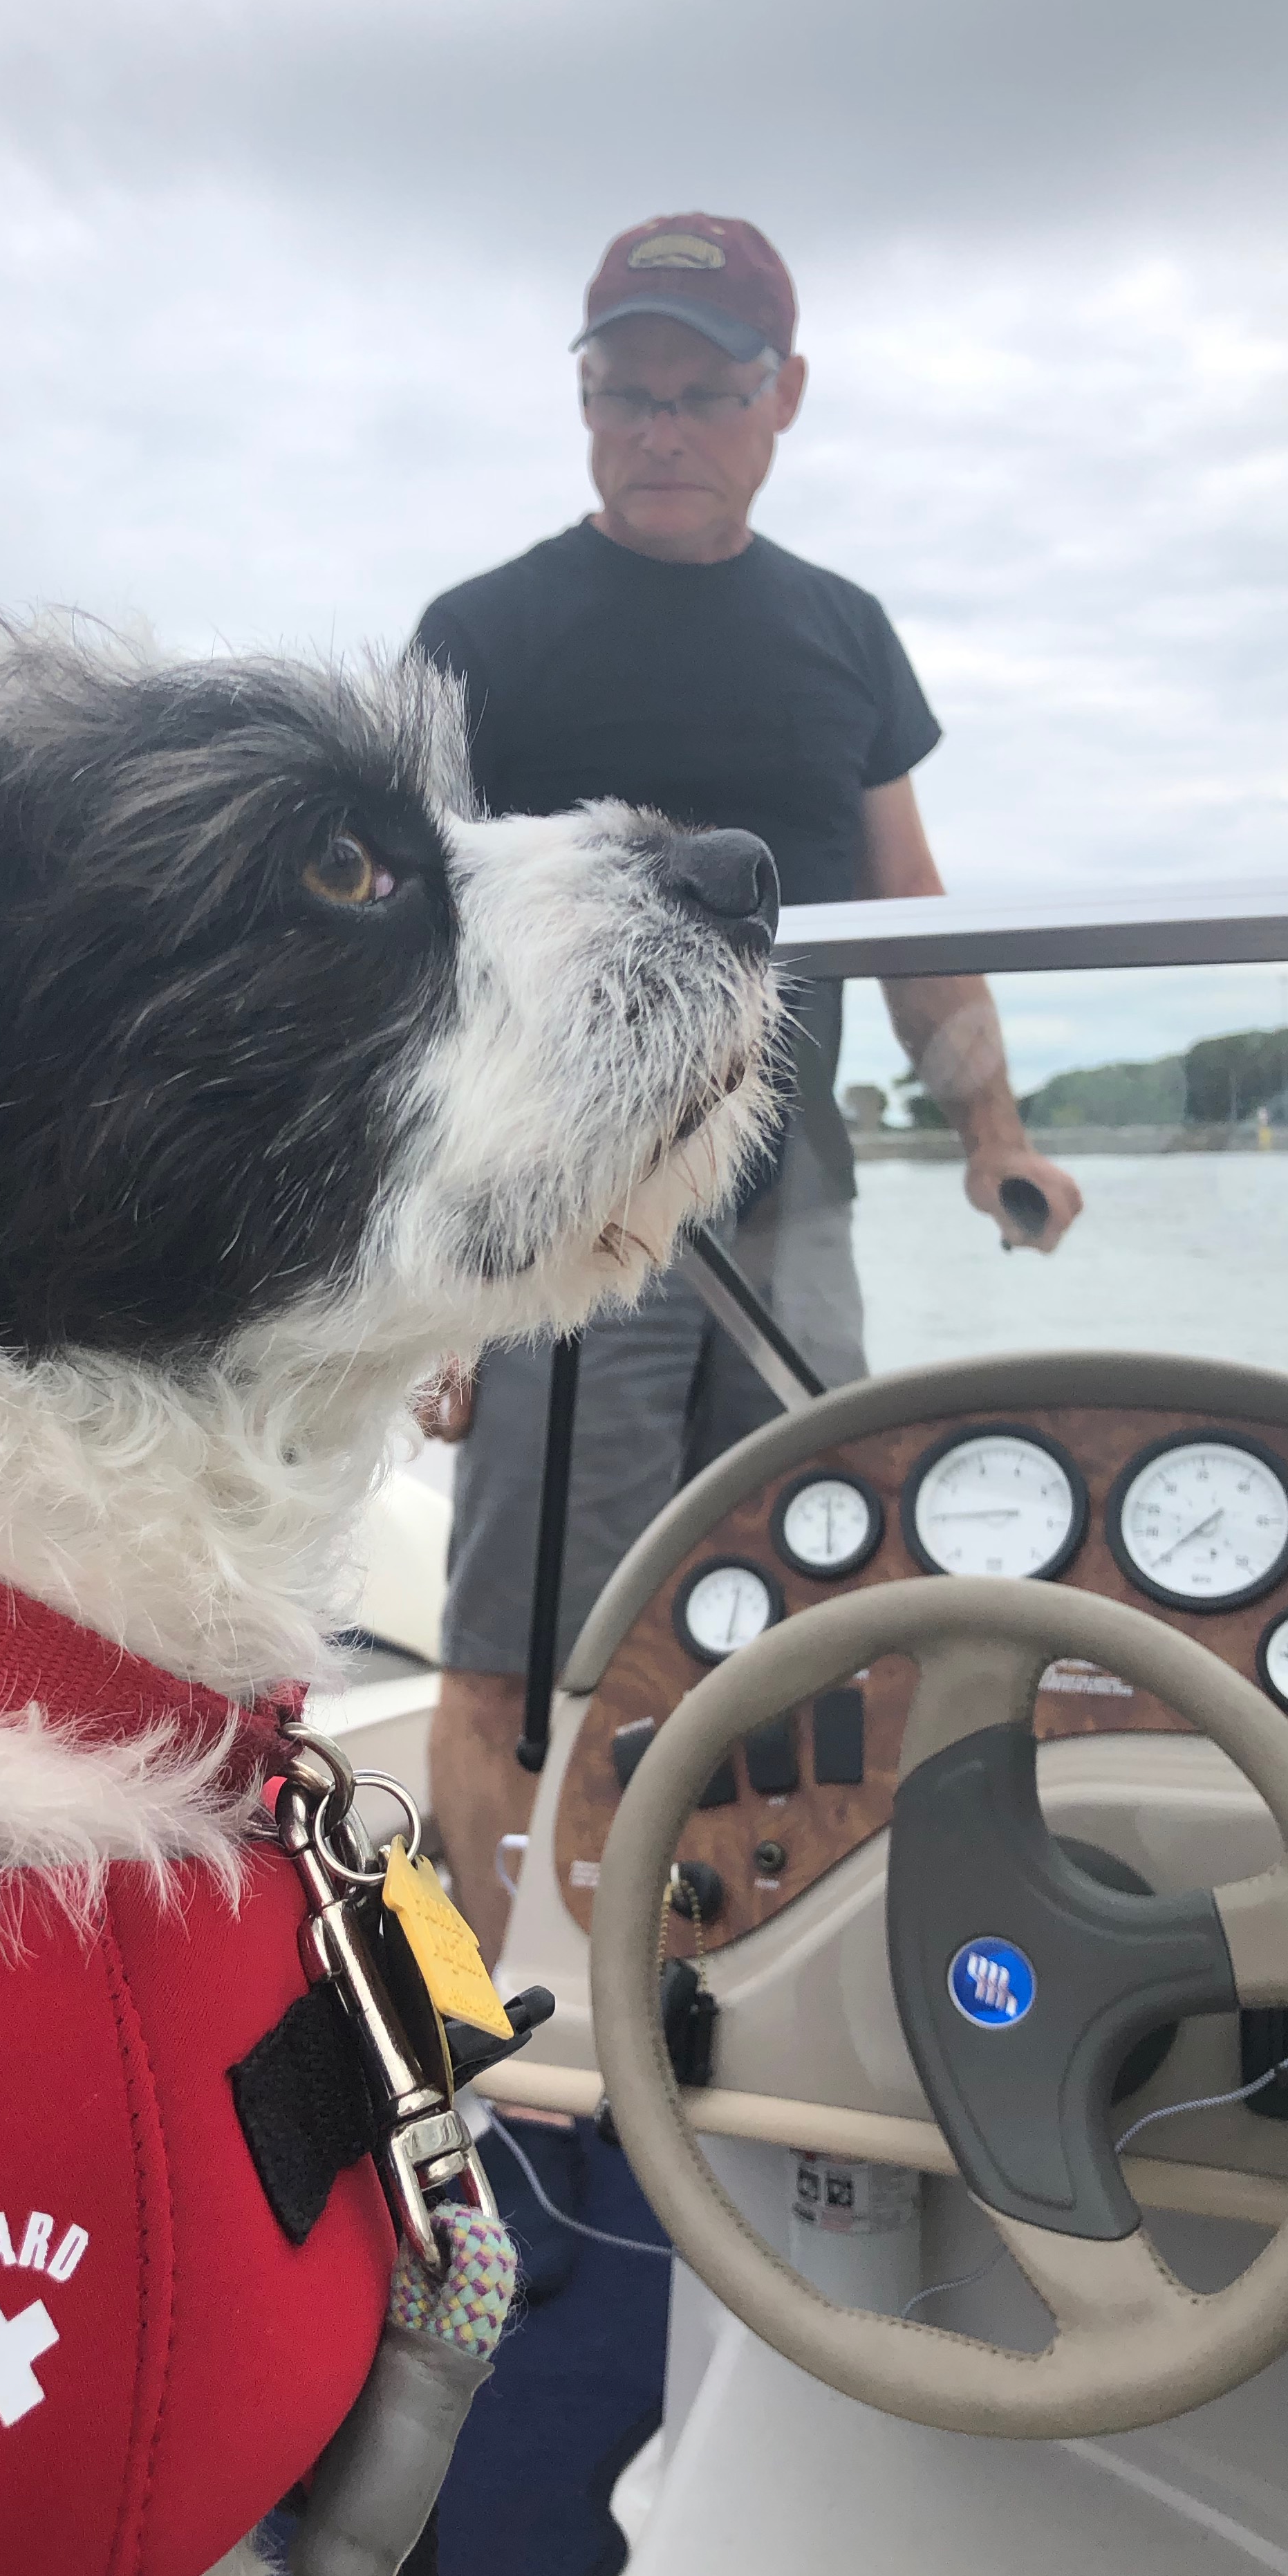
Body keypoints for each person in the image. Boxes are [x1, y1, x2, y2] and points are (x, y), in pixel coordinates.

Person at [415, 212, 1083, 1963]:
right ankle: (499, 2032)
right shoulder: (481, 634)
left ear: (783, 398)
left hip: (798, 1208)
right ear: (582, 401)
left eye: (702, 393)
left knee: (813, 1623)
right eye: (622, 392)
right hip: (565, 1221)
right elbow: (407, 963)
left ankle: (736, 1978)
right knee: (521, 1654)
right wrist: (432, 1300)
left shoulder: (843, 635)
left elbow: (915, 912)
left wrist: (996, 1136)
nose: (660, 430)